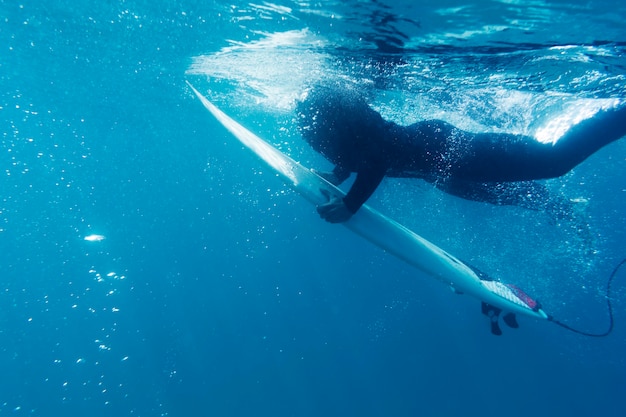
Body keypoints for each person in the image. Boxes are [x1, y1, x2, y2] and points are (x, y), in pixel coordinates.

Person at [296, 84, 626, 223]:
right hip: (435, 170)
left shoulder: (328, 105)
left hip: (444, 149)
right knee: (503, 194)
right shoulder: (325, 121)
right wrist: (337, 174)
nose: (297, 109)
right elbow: (362, 149)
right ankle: (563, 207)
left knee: (554, 161)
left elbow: (378, 153)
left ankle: (618, 112)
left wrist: (350, 204)